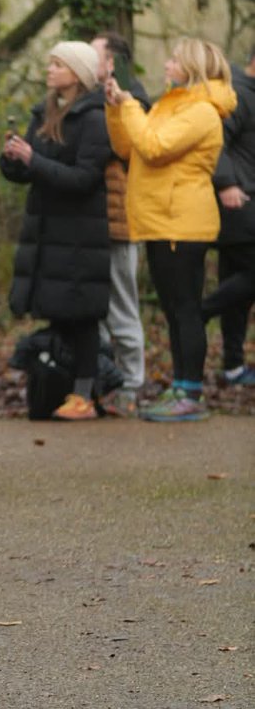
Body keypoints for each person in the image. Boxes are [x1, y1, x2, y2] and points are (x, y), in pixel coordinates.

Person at [105, 36, 236, 422]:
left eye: (175, 60)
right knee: (173, 311)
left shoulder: (202, 112)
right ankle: (180, 387)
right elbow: (129, 148)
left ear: (193, 67)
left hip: (183, 223)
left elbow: (155, 147)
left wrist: (129, 102)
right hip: (159, 221)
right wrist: (117, 109)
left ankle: (191, 392)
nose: (167, 65)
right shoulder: (171, 104)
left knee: (186, 310)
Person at [0, 41, 112, 421]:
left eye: (58, 64)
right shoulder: (44, 111)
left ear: (78, 73)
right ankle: (60, 389)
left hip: (81, 234)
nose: (49, 70)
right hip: (46, 231)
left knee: (82, 315)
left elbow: (85, 179)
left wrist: (35, 159)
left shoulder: (96, 118)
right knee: (58, 311)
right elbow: (28, 172)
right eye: (49, 63)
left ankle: (85, 394)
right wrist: (13, 159)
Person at [91, 31, 150, 416]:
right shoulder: (90, 95)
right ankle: (105, 381)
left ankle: (131, 383)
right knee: (94, 308)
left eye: (94, 54)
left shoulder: (131, 95)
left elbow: (126, 148)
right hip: (91, 223)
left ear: (112, 62)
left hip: (120, 221)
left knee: (122, 306)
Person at [201, 44, 255, 384]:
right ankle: (198, 312)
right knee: (246, 279)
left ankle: (234, 365)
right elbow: (214, 139)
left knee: (238, 287)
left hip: (246, 199)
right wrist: (225, 182)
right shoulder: (237, 93)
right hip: (237, 201)